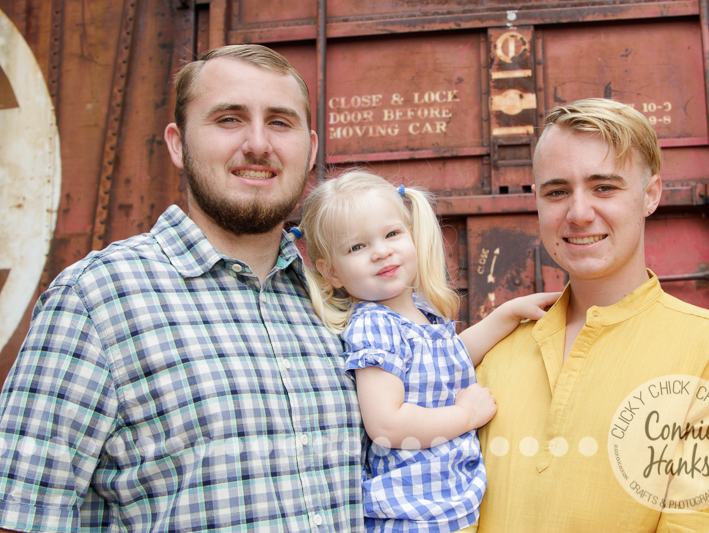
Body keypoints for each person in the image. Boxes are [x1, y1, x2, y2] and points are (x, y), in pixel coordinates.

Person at [0, 45, 364, 532]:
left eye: (280, 122)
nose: (258, 144)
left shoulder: (340, 299)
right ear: (177, 144)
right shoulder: (97, 299)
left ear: (311, 149)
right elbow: (19, 514)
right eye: (229, 119)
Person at [476, 98, 709, 531]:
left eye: (604, 188)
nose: (578, 214)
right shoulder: (494, 347)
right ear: (536, 201)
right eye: (557, 192)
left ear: (651, 195)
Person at [297, 170, 558, 532]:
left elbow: (451, 358)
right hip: (413, 515)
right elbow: (387, 424)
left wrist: (507, 314)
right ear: (332, 273)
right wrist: (465, 415)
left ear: (412, 235)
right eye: (357, 247)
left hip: (447, 506)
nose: (381, 252)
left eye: (392, 234)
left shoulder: (420, 312)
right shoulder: (375, 326)